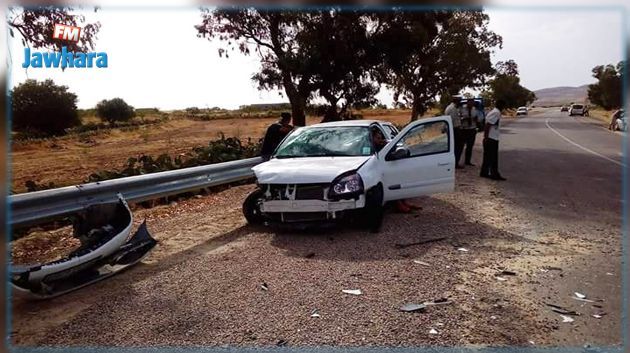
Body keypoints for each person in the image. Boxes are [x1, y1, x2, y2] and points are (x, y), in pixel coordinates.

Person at [480, 99, 506, 181]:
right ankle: (494, 174)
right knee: (493, 158)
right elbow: (488, 125)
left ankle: (484, 172)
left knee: (487, 157)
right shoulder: (496, 113)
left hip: (492, 137)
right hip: (491, 138)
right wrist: (486, 137)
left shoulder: (494, 112)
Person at [459, 98, 481, 166]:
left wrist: (477, 120)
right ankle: (457, 161)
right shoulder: (462, 109)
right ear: (467, 103)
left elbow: (479, 119)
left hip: (472, 129)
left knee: (470, 146)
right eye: (470, 103)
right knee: (461, 146)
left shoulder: (474, 110)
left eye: (472, 103)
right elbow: (458, 118)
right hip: (464, 129)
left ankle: (467, 161)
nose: (471, 104)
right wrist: (464, 118)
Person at [444, 95, 464, 168]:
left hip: (454, 129)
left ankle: (455, 162)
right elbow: (452, 122)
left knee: (456, 146)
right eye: (459, 101)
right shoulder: (452, 109)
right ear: (456, 101)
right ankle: (455, 163)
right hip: (454, 130)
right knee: (458, 147)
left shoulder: (453, 108)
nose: (460, 102)